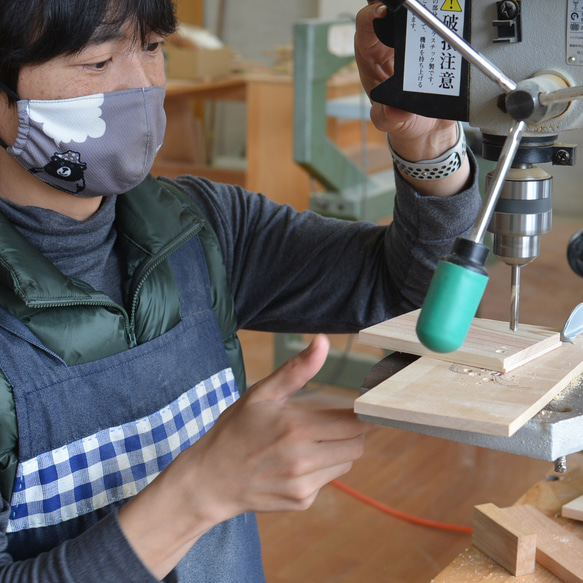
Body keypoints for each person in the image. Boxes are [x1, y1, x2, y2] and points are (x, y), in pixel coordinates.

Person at [0, 0, 481, 580]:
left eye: (152, 47)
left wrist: (427, 143)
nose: (142, 87)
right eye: (98, 63)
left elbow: (402, 288)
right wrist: (199, 492)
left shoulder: (199, 227)